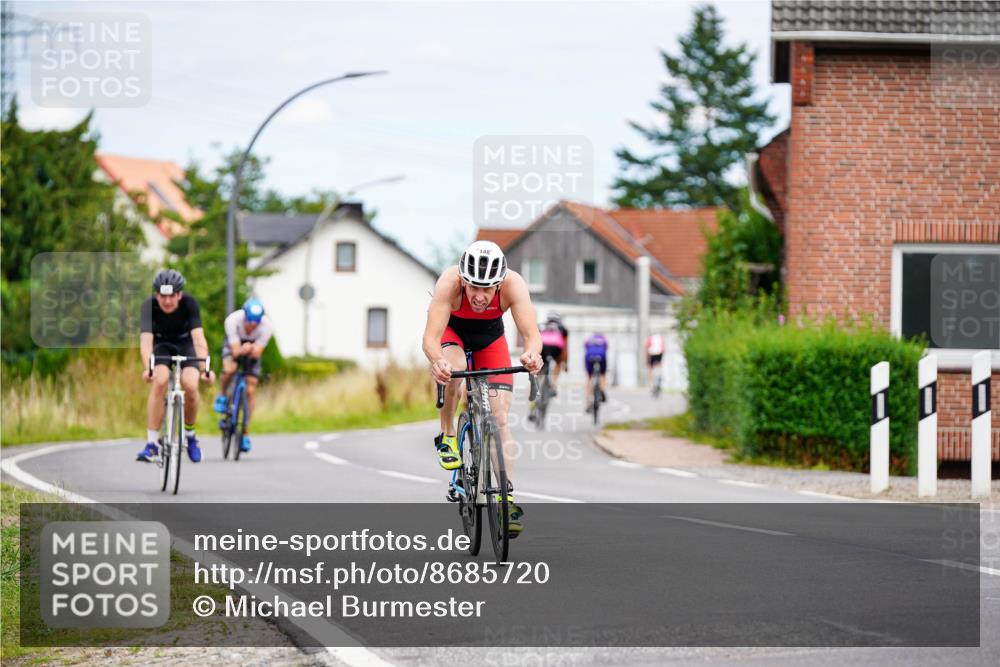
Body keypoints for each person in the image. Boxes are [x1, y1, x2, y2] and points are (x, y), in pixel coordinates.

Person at [422, 240, 543, 538]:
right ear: (463, 280)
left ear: (499, 284)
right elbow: (430, 338)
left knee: (499, 416)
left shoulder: (514, 284)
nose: (478, 296)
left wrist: (532, 355)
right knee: (454, 368)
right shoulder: (448, 283)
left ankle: (506, 501)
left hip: (490, 338)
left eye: (487, 289)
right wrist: (438, 361)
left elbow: (532, 336)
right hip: (453, 333)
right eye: (473, 287)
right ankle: (448, 434)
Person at [136, 269, 214, 463]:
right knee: (160, 381)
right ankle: (152, 443)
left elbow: (198, 338)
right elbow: (146, 342)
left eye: (172, 296)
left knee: (191, 385)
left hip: (185, 345)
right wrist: (148, 368)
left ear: (180, 294)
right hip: (161, 346)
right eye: (163, 296)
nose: (168, 301)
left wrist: (205, 369)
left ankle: (190, 436)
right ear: (156, 294)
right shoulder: (148, 306)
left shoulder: (190, 304)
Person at [213, 297, 273, 453]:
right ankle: (222, 395)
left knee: (251, 388)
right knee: (230, 368)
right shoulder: (233, 320)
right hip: (234, 346)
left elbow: (258, 352)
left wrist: (251, 349)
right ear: (244, 316)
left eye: (256, 322)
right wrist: (241, 349)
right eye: (250, 320)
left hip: (252, 351)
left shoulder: (266, 326)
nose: (252, 324)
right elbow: (234, 350)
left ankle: (245, 432)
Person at [542, 312, 569, 394]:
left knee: (539, 364)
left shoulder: (541, 326)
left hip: (542, 345)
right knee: (558, 362)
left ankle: (537, 381)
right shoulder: (562, 328)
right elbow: (565, 348)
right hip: (556, 347)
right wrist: (565, 363)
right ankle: (553, 384)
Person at [583, 331, 609, 411]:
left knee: (589, 377)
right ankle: (602, 389)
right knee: (603, 374)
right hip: (601, 355)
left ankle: (588, 400)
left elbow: (585, 346)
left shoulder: (589, 339)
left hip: (589, 355)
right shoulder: (604, 339)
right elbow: (606, 348)